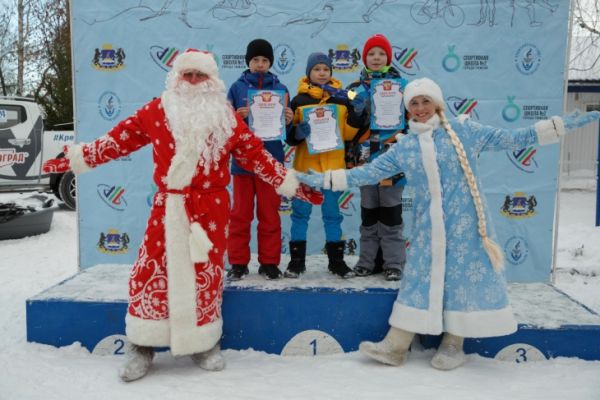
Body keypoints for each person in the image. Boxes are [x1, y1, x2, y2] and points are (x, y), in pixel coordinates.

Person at [42, 48, 322, 382]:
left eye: (199, 75)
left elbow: (256, 156)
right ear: (176, 77)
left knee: (206, 273)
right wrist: (78, 158)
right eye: (186, 74)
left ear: (211, 80)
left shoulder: (226, 117)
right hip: (170, 205)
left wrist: (288, 183)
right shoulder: (157, 110)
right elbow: (119, 139)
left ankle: (203, 342)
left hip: (211, 208)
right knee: (152, 269)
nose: (192, 81)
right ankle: (141, 344)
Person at [297, 77, 600, 370]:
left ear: (437, 102)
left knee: (461, 281)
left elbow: (511, 139)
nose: (420, 108)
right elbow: (366, 173)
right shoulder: (405, 146)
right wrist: (323, 178)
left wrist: (556, 127)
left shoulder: (464, 131)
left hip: (467, 225)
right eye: (413, 103)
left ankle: (454, 343)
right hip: (428, 228)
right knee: (417, 278)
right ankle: (396, 345)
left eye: (425, 100)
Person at [284, 52, 360, 279]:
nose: (322, 73)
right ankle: (297, 262)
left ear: (331, 72)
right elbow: (290, 138)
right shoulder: (298, 100)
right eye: (317, 69)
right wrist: (298, 131)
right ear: (309, 73)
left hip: (332, 167)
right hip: (305, 168)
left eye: (326, 69)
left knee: (332, 214)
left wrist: (357, 111)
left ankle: (336, 262)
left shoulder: (344, 95)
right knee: (300, 214)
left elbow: (348, 133)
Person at [226, 38, 294, 281]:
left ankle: (269, 262)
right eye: (255, 59)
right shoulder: (236, 88)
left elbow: (289, 128)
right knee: (240, 215)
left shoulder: (282, 89)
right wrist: (236, 116)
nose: (260, 64)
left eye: (265, 60)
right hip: (243, 162)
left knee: (269, 214)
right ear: (248, 62)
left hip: (271, 162)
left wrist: (288, 119)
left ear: (270, 63)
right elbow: (224, 126)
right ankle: (237, 262)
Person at [346, 34, 408, 281]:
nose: (376, 58)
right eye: (371, 53)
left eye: (381, 53)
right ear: (364, 58)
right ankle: (367, 262)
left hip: (393, 159)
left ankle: (394, 264)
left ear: (388, 58)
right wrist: (357, 110)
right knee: (369, 214)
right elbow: (349, 125)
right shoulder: (353, 89)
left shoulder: (403, 86)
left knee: (391, 215)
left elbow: (412, 120)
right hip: (364, 160)